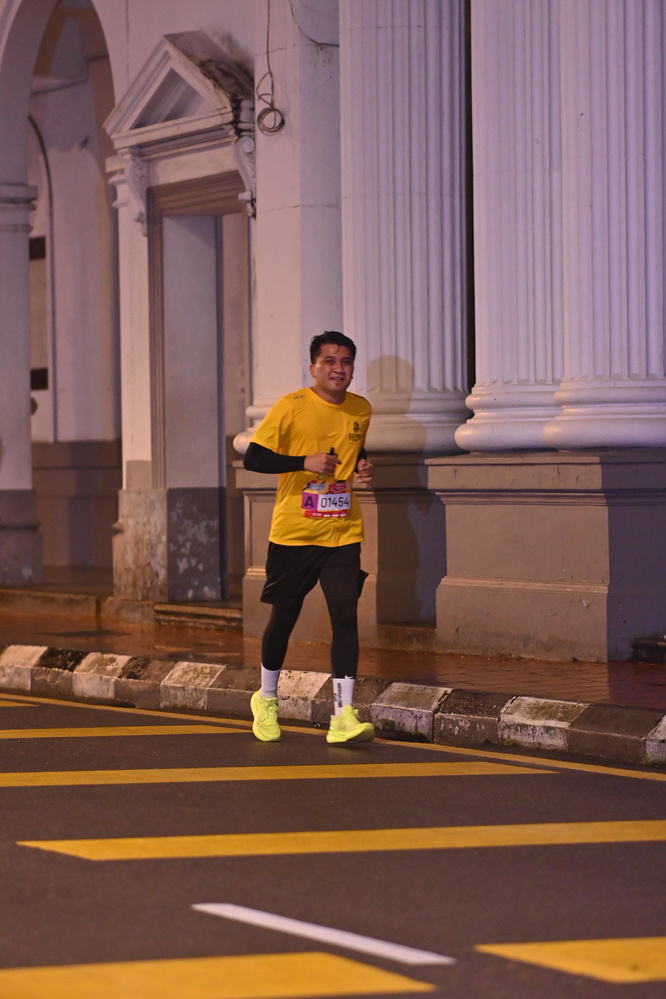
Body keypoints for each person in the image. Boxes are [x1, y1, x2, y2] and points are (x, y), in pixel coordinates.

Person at [243, 331, 375, 745]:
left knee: (345, 617)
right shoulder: (291, 406)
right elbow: (254, 457)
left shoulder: (361, 408)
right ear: (313, 367)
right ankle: (266, 698)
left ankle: (343, 715)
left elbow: (353, 448)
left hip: (343, 530)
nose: (339, 369)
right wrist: (303, 461)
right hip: (295, 533)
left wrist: (362, 465)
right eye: (330, 361)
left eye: (346, 361)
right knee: (284, 617)